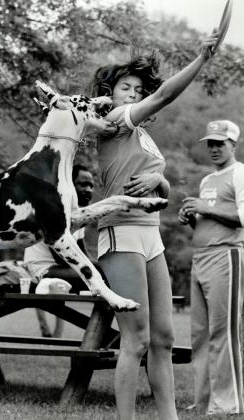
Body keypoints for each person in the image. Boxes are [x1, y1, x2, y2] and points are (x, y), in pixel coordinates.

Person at [89, 30, 219, 420]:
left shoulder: (143, 135)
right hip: (120, 230)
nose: (133, 93)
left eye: (137, 88)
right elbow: (163, 96)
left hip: (151, 234)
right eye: (125, 87)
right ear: (110, 94)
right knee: (136, 338)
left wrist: (157, 180)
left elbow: (160, 190)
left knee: (163, 338)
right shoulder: (114, 121)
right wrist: (200, 59)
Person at [178, 120, 244, 416]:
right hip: (201, 256)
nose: (214, 148)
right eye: (211, 143)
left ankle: (228, 402)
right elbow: (209, 219)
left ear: (233, 144)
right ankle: (203, 400)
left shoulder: (240, 173)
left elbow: (241, 217)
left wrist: (205, 209)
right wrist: (192, 215)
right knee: (199, 334)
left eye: (220, 143)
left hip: (226, 255)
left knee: (223, 331)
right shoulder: (207, 181)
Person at [24, 164, 95, 337]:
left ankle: (98, 334)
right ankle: (97, 336)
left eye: (91, 186)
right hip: (43, 271)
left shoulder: (78, 215)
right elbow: (64, 257)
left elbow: (84, 255)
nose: (88, 190)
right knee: (103, 275)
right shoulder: (55, 212)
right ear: (69, 185)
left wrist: (98, 267)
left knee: (105, 272)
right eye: (83, 184)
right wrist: (97, 271)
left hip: (61, 270)